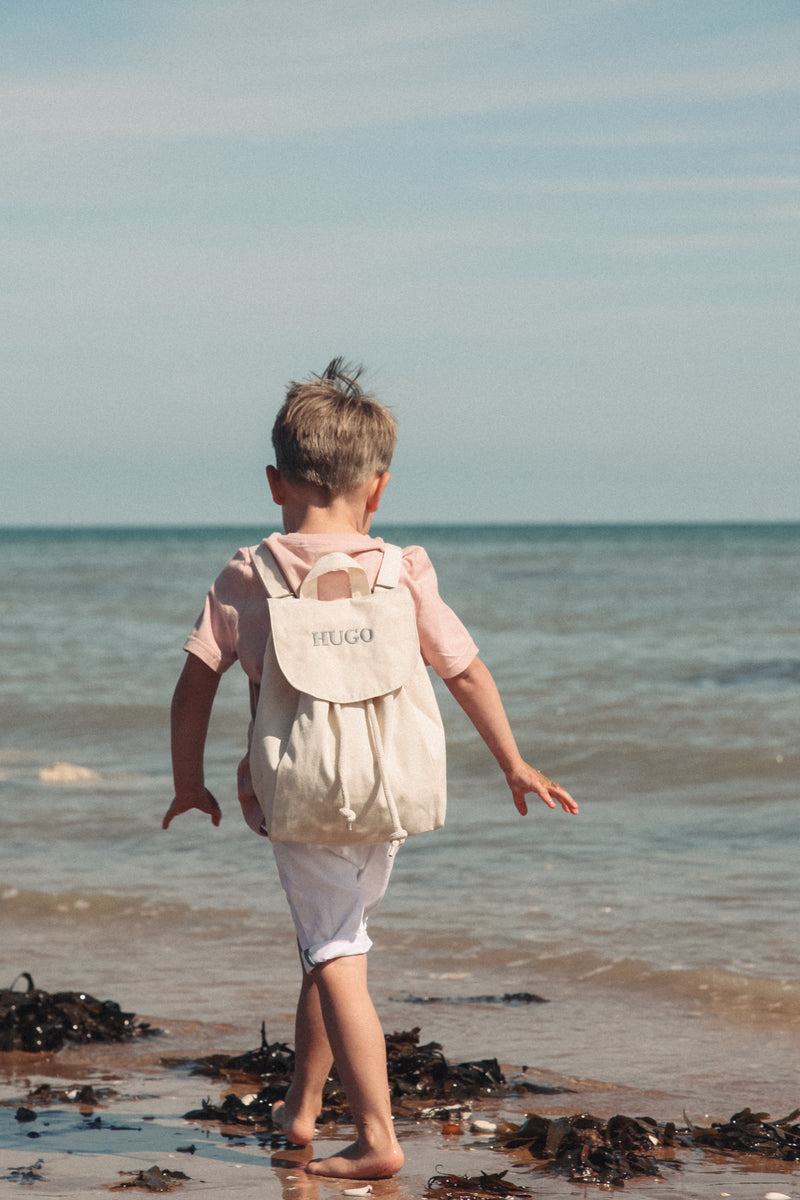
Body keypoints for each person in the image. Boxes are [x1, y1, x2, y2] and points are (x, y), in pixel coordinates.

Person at [163, 358, 578, 1180]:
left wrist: (188, 780)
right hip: (391, 791)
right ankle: (303, 1107)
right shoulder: (404, 571)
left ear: (275, 483)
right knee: (332, 941)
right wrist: (514, 762)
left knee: (333, 952)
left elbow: (193, 686)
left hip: (301, 794)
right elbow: (465, 670)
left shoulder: (250, 574)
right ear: (378, 489)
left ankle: (379, 1136)